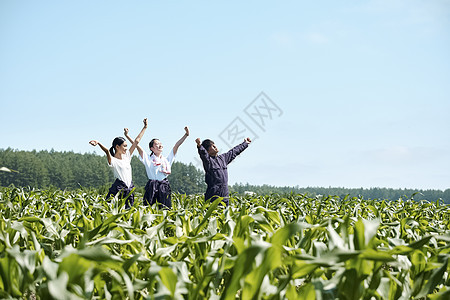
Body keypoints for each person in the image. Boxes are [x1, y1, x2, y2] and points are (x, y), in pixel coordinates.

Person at [125, 125, 189, 209]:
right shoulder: (148, 159)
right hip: (152, 186)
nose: (160, 145)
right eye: (157, 144)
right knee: (149, 207)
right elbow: (136, 145)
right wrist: (127, 135)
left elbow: (176, 146)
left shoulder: (167, 160)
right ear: (152, 148)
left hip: (164, 186)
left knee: (165, 208)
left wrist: (186, 135)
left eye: (160, 143)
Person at [89, 118, 148, 208]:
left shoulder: (127, 156)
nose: (126, 148)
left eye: (126, 146)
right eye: (124, 146)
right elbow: (107, 151)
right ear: (117, 146)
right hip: (119, 189)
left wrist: (145, 127)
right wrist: (98, 143)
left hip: (129, 188)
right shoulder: (113, 161)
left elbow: (136, 141)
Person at [195, 137, 251, 206]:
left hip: (225, 197)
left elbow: (234, 151)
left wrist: (245, 143)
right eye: (212, 146)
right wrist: (199, 146)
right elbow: (203, 154)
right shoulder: (208, 161)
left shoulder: (223, 158)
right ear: (208, 151)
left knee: (225, 215)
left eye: (214, 145)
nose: (215, 146)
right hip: (213, 197)